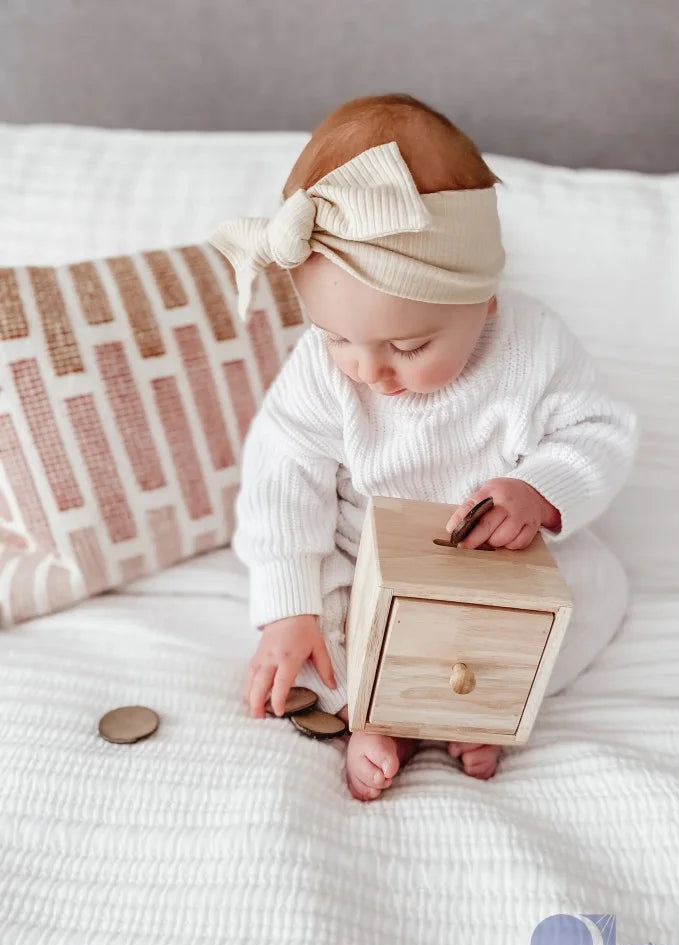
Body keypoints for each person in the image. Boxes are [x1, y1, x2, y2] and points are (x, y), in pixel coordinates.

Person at [209, 93, 639, 802]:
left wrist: (540, 490)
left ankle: (484, 704)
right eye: (338, 337)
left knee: (596, 591)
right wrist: (289, 607)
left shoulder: (530, 347)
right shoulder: (324, 373)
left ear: (484, 301)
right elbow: (284, 477)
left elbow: (599, 431)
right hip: (369, 555)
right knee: (319, 624)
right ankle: (385, 714)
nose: (367, 370)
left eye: (408, 346)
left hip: (495, 562)